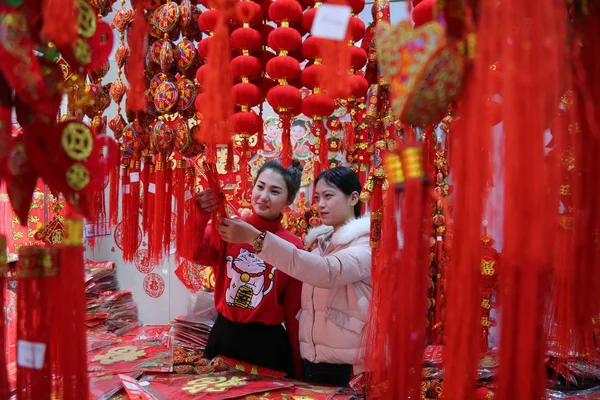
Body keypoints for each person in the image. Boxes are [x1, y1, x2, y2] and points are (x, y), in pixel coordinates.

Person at [217, 166, 371, 386]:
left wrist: (256, 238)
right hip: (315, 361)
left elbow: (326, 272)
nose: (321, 204)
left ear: (353, 198)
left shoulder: (366, 245)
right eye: (317, 197)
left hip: (347, 364)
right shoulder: (319, 246)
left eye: (328, 196)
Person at [191, 160, 305, 378]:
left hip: (266, 346)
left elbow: (293, 312)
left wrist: (298, 366)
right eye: (260, 187)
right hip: (224, 336)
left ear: (289, 200)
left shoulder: (292, 246)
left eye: (274, 191)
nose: (263, 196)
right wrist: (200, 216)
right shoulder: (229, 228)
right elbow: (194, 253)